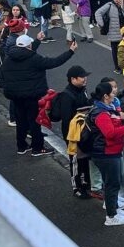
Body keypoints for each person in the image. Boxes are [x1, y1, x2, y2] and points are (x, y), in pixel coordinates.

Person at [0, 33, 75, 156]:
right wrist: (70, 52)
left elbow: (1, 78)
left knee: (21, 121)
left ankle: (21, 146)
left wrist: (37, 41)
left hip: (15, 96)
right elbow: (54, 62)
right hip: (32, 96)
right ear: (28, 46)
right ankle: (37, 148)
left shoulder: (9, 59)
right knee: (34, 122)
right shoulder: (34, 59)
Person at [90, 81, 124, 226]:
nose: (115, 93)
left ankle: (113, 207)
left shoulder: (108, 107)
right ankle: (111, 216)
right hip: (106, 153)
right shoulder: (101, 113)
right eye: (112, 92)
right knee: (111, 184)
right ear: (106, 96)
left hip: (112, 151)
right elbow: (110, 133)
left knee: (114, 181)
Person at [50, 64, 93, 198]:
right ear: (73, 79)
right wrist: (73, 137)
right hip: (73, 134)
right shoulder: (67, 96)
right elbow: (67, 119)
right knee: (75, 161)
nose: (85, 79)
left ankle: (86, 183)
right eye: (82, 77)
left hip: (84, 132)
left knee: (85, 159)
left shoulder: (82, 90)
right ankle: (77, 188)